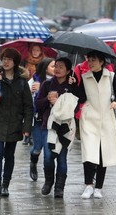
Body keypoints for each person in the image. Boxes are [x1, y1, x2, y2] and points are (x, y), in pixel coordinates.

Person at [0, 48, 33, 197]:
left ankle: (6, 184)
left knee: (9, 155)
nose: (5, 61)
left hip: (14, 123)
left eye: (9, 59)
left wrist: (26, 127)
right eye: (4, 58)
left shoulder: (22, 82)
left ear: (15, 62)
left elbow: (28, 106)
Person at [78, 50, 116, 199]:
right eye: (89, 60)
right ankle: (88, 185)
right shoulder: (84, 77)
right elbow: (80, 97)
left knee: (103, 153)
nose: (90, 63)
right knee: (89, 152)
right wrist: (73, 84)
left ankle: (98, 187)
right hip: (89, 118)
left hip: (106, 117)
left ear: (102, 61)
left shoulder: (110, 76)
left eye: (94, 60)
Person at [35, 57, 78, 198]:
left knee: (62, 158)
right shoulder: (47, 84)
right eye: (56, 66)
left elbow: (78, 104)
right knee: (48, 156)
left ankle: (60, 187)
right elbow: (38, 105)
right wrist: (48, 100)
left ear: (68, 71)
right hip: (48, 126)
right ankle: (49, 181)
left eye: (61, 67)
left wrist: (64, 97)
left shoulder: (71, 86)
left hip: (65, 128)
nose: (57, 69)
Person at [28, 57, 55, 181]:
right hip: (38, 120)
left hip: (52, 121)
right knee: (37, 148)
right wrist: (36, 92)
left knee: (48, 152)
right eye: (53, 66)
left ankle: (48, 180)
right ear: (45, 68)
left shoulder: (58, 81)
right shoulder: (34, 81)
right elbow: (27, 99)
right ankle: (33, 162)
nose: (55, 69)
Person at [21, 43, 46, 145]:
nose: (35, 52)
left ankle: (32, 135)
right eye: (33, 50)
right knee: (27, 112)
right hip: (27, 88)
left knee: (35, 113)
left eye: (38, 50)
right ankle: (26, 134)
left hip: (38, 90)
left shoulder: (44, 63)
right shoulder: (25, 61)